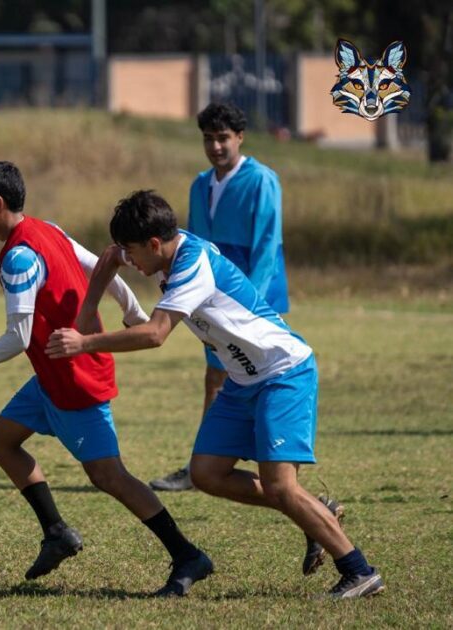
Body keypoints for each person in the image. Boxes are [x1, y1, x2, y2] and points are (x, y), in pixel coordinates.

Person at [46, 190, 384, 599]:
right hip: (242, 380)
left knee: (280, 485)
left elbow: (155, 335)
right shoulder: (159, 246)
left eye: (135, 253)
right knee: (206, 473)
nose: (131, 261)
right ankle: (315, 512)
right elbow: (109, 256)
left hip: (283, 372)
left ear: (155, 244)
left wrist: (85, 343)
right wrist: (86, 314)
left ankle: (359, 570)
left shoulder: (192, 266)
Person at [0, 162, 212, 596]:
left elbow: (18, 336)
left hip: (72, 381)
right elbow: (103, 265)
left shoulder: (19, 257)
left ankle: (186, 554)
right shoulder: (48, 229)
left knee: (110, 477)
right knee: (1, 441)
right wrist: (131, 308)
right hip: (52, 375)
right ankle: (57, 532)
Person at [150, 103, 289, 494]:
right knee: (218, 377)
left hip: (248, 302)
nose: (215, 146)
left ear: (240, 137)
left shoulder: (262, 180)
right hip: (210, 300)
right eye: (208, 138)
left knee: (246, 377)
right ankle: (211, 463)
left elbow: (266, 246)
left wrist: (250, 304)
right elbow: (190, 245)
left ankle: (214, 466)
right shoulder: (200, 184)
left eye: (223, 137)